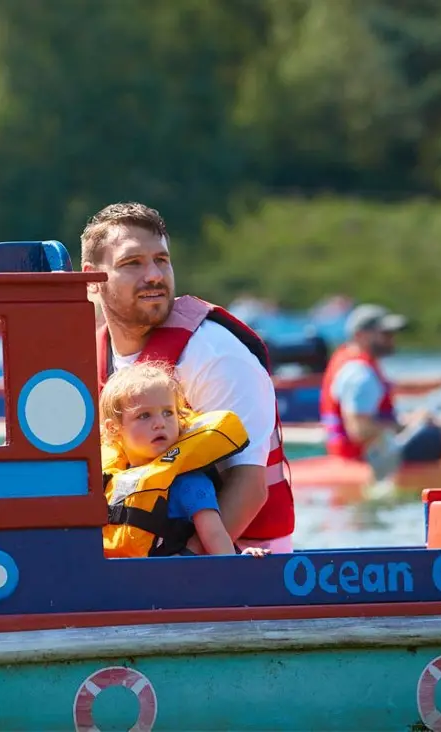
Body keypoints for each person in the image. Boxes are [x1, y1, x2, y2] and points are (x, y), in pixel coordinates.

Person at [81, 202, 294, 554]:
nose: (154, 275)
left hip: (239, 559)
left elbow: (249, 486)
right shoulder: (96, 356)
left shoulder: (215, 354)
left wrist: (177, 568)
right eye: (132, 263)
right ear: (93, 279)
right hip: (141, 562)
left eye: (161, 260)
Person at [99, 361, 269, 558]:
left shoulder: (188, 482)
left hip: (175, 579)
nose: (160, 423)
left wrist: (233, 562)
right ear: (113, 429)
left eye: (168, 412)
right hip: (119, 579)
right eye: (144, 415)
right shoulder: (107, 483)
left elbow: (214, 535)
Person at [320, 303, 441, 469]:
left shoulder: (351, 362)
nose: (391, 339)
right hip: (371, 458)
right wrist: (408, 424)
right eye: (385, 333)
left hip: (357, 453)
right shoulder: (360, 374)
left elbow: (401, 387)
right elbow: (359, 431)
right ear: (361, 335)